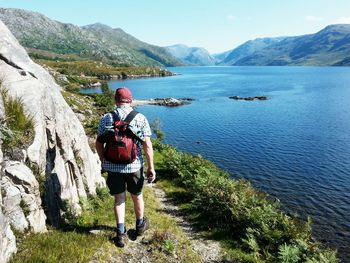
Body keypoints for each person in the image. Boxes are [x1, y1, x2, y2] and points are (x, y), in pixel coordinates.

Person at [95, 87, 156, 247]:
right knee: (137, 196)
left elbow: (99, 143)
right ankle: (140, 226)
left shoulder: (107, 118)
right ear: (130, 100)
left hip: (112, 167)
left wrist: (103, 161)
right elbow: (147, 145)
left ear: (116, 100)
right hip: (134, 165)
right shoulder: (140, 118)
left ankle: (120, 234)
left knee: (119, 199)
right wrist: (151, 168)